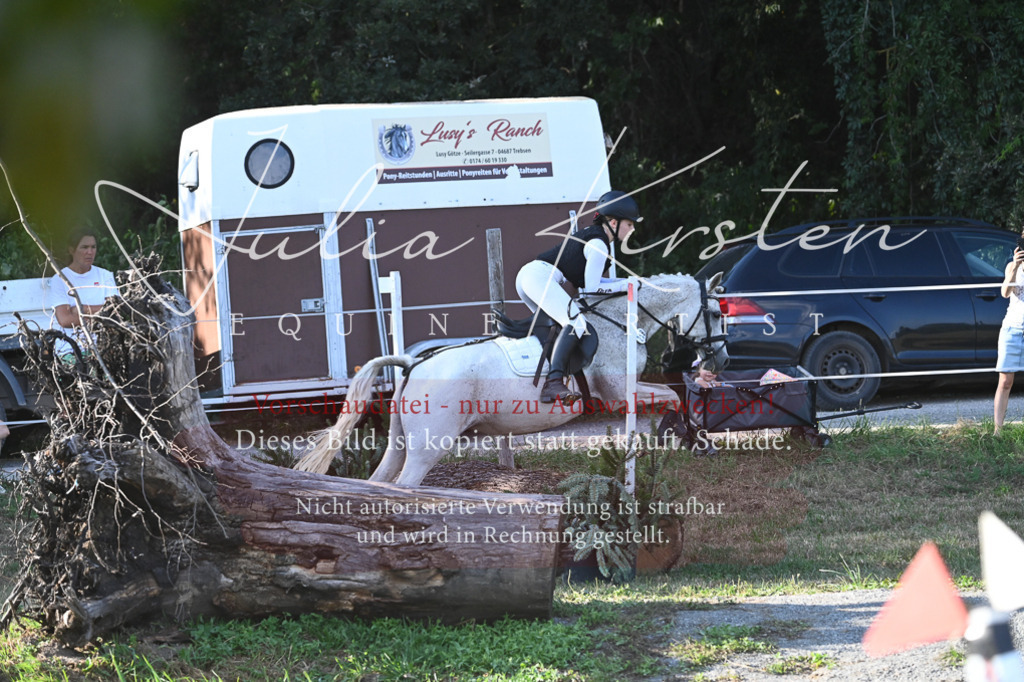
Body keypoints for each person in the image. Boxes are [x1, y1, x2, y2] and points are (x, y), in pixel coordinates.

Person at [515, 190, 641, 404]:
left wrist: (626, 283)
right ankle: (554, 383)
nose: (632, 229)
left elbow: (593, 284)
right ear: (613, 222)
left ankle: (547, 379)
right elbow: (592, 288)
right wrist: (626, 285)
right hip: (538, 277)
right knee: (576, 323)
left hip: (529, 277)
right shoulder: (599, 244)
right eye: (629, 224)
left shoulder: (595, 237)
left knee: (557, 328)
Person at [49, 228, 119, 363]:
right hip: (69, 351)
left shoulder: (105, 275)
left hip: (103, 350)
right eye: (84, 247)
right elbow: (64, 320)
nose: (90, 252)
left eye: (93, 247)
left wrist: (80, 309)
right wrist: (101, 318)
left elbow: (115, 311)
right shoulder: (60, 279)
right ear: (71, 250)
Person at [994, 235, 1024, 436]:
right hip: (1012, 328)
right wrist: (1014, 267)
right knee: (1005, 381)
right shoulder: (1012, 266)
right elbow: (1005, 293)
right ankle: (998, 431)